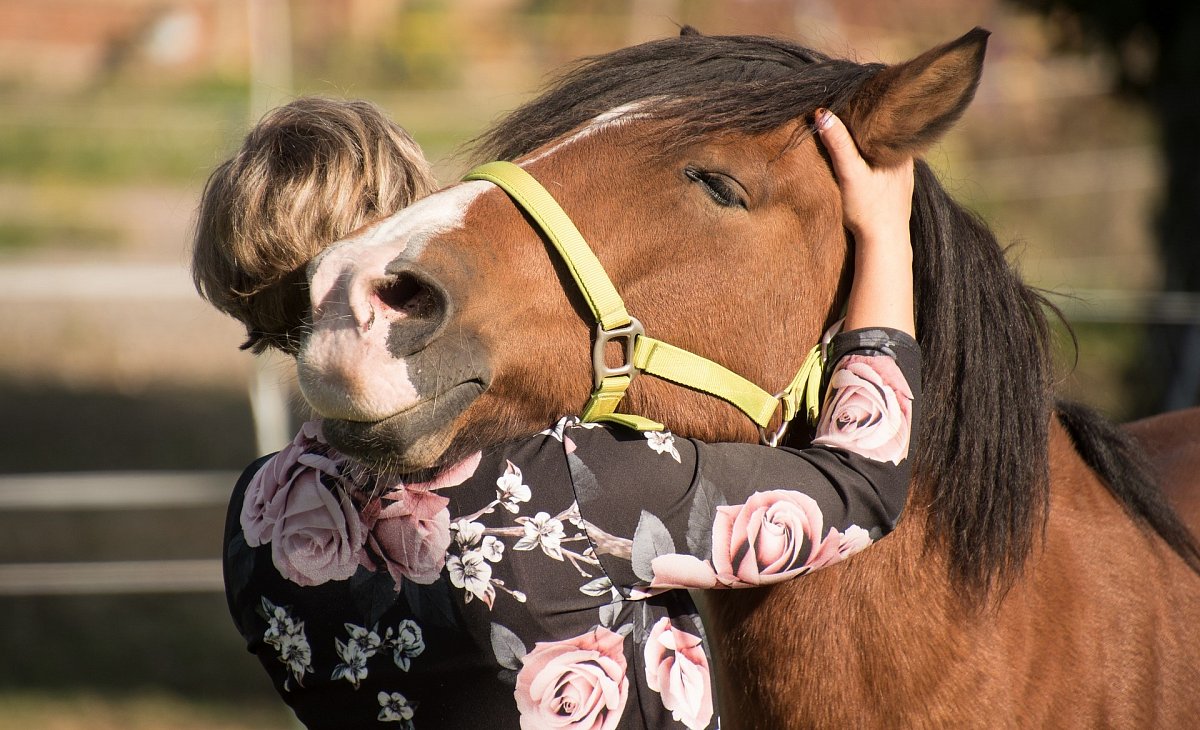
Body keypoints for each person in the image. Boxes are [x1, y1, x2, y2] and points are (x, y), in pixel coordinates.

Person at [193, 98, 918, 730]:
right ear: (406, 237)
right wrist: (886, 234)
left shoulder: (253, 523)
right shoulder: (564, 486)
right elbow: (863, 482)